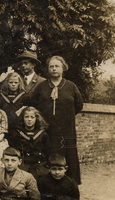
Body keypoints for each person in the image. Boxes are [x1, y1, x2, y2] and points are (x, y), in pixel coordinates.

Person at [31, 56, 83, 184]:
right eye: (51, 66)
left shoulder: (71, 86)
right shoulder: (41, 87)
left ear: (63, 68)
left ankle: (69, 185)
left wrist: (66, 116)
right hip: (48, 129)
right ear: (48, 69)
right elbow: (33, 105)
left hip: (67, 129)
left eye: (57, 66)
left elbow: (79, 105)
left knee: (68, 156)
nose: (54, 69)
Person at [7, 106, 50, 180]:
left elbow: (47, 152)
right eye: (26, 117)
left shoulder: (43, 134)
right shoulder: (17, 133)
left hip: (39, 165)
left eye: (32, 117)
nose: (29, 120)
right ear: (22, 119)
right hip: (23, 165)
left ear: (36, 118)